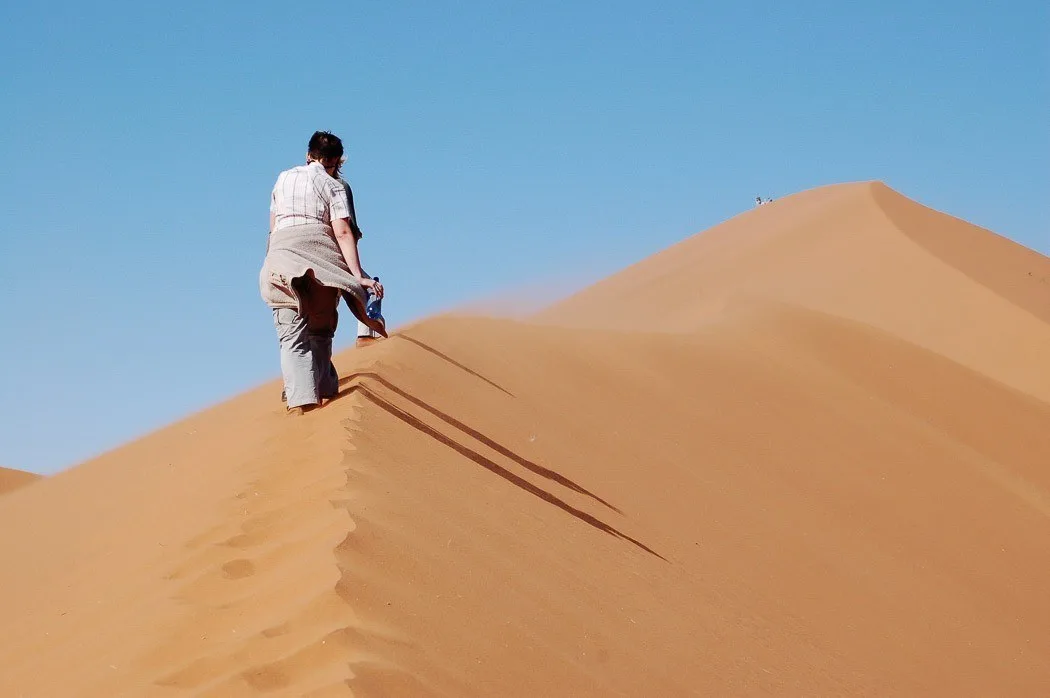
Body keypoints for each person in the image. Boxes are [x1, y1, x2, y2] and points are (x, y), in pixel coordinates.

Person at [260, 131, 386, 415]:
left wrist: (274, 259)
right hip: (320, 262)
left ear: (308, 154)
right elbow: (342, 231)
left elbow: (273, 225)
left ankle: (301, 402)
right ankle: (324, 388)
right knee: (319, 330)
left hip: (281, 262)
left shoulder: (282, 178)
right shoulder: (334, 186)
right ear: (336, 161)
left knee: (292, 337)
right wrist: (357, 277)